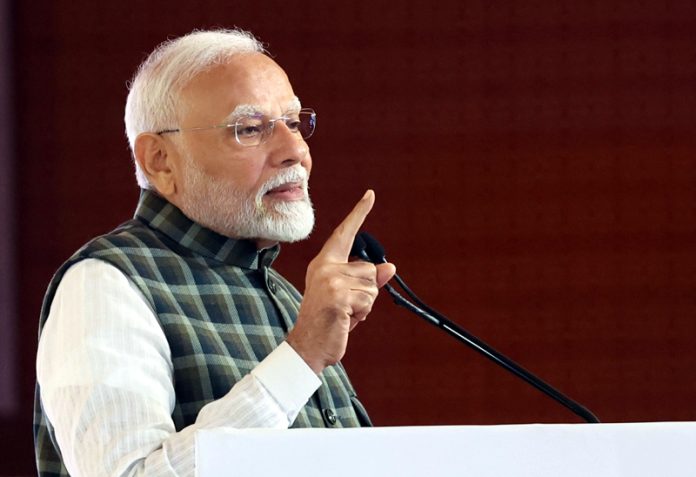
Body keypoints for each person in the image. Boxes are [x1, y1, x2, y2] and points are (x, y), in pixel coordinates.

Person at [34, 28, 396, 476]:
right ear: (160, 160)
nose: (296, 151)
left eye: (294, 122)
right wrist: (302, 356)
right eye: (249, 129)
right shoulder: (104, 285)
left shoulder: (282, 294)